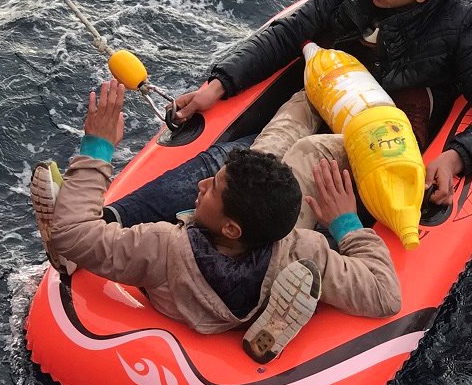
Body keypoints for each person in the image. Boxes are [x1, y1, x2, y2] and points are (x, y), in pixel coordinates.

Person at [105, 0, 472, 230]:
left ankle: (203, 245)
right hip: (324, 96)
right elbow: (289, 32)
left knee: (291, 176)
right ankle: (110, 219)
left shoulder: (466, 18)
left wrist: (454, 158)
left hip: (381, 133)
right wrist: (218, 85)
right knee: (236, 162)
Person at [30, 79, 401, 365]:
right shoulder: (304, 252)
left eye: (213, 188)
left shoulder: (162, 249)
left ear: (230, 228)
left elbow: (72, 234)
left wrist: (97, 145)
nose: (202, 184)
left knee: (297, 137)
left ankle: (310, 95)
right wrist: (346, 223)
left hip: (183, 290)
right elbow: (385, 295)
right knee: (306, 149)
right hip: (268, 273)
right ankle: (378, 122)